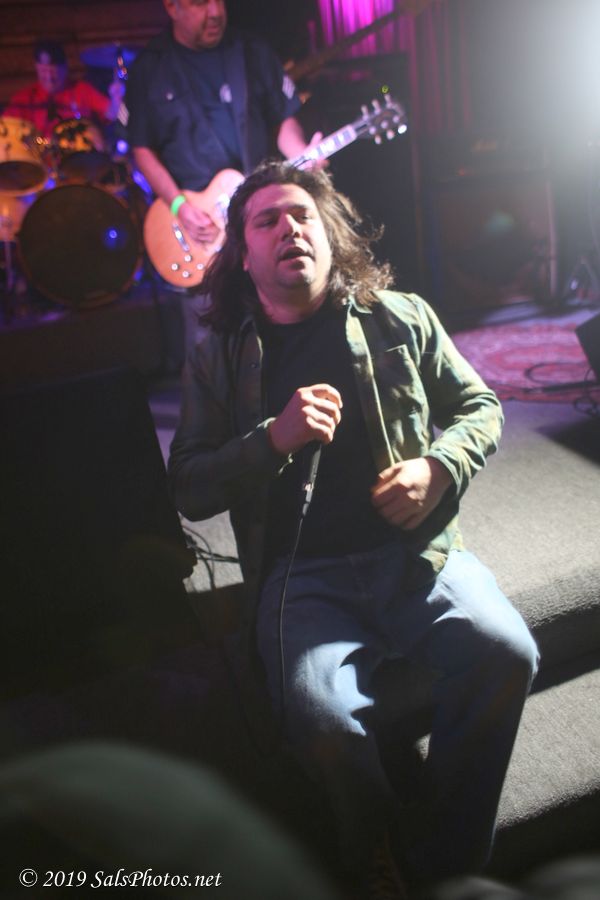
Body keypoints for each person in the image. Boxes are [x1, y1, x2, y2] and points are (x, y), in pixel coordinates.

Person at [167, 160, 540, 898]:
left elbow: (481, 407)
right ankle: (368, 843)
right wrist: (271, 441)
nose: (289, 229)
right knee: (326, 727)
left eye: (302, 215)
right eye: (267, 220)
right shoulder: (217, 357)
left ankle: (443, 865)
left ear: (330, 233)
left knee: (509, 652)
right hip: (300, 579)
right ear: (243, 254)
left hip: (415, 556)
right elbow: (188, 485)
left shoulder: (400, 315)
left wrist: (439, 467)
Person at [125, 0, 321, 246]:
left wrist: (302, 154)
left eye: (219, 1)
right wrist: (179, 206)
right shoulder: (150, 68)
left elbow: (281, 116)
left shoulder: (252, 51)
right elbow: (143, 149)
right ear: (172, 7)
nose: (216, 12)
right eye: (200, 3)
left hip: (259, 210)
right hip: (198, 222)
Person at [4, 40, 123, 138]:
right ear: (37, 68)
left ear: (65, 68)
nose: (49, 78)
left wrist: (116, 100)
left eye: (53, 71)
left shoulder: (82, 90)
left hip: (78, 157)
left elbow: (111, 113)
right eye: (44, 71)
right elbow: (4, 128)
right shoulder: (24, 98)